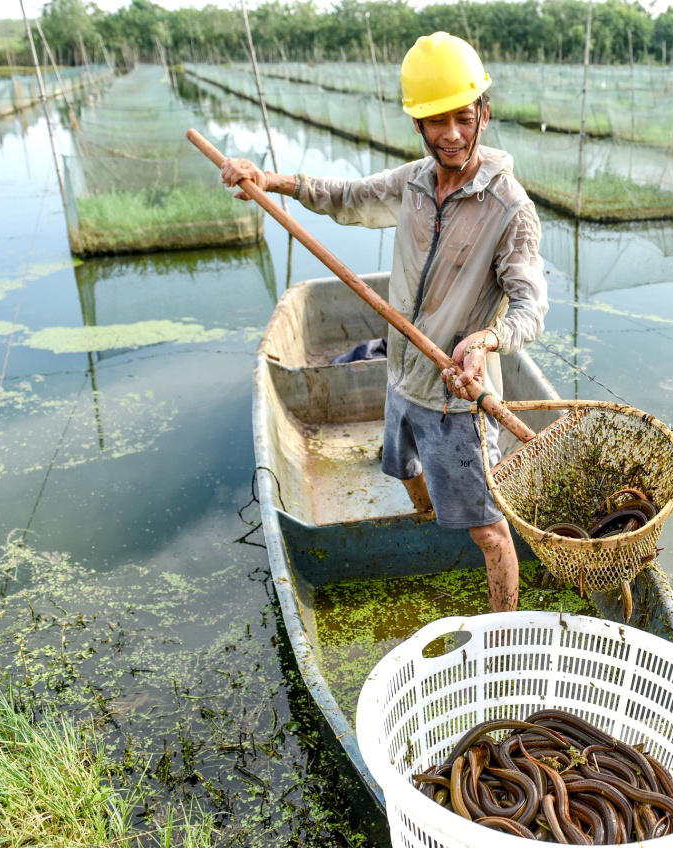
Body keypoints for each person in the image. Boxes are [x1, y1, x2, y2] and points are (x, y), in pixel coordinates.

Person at [219, 32, 547, 613]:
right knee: (401, 465)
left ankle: (504, 632)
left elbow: (529, 304)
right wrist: (274, 182)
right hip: (399, 375)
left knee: (489, 531)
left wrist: (488, 338)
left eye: (463, 118)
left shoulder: (509, 210)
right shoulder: (416, 182)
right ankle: (426, 520)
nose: (452, 133)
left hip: (455, 399)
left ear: (484, 113)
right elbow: (347, 195)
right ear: (417, 125)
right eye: (436, 121)